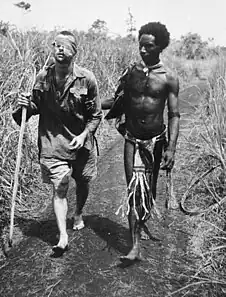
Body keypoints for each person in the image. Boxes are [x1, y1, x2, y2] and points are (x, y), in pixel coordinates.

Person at [13, 30, 102, 255]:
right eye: (56, 45)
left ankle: (79, 212)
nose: (60, 48)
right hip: (52, 142)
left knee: (83, 183)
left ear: (75, 51)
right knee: (60, 185)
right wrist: (25, 104)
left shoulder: (87, 79)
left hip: (81, 142)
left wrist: (83, 136)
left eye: (65, 45)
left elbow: (96, 115)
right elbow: (35, 107)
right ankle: (63, 236)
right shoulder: (43, 77)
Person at [102, 22, 180, 261]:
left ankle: (141, 222)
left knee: (150, 191)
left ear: (160, 47)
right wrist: (87, 102)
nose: (143, 51)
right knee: (134, 190)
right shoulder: (130, 73)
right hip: (132, 139)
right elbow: (115, 101)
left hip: (156, 141)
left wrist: (171, 148)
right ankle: (134, 246)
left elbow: (174, 114)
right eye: (141, 46)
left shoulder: (169, 78)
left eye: (149, 46)